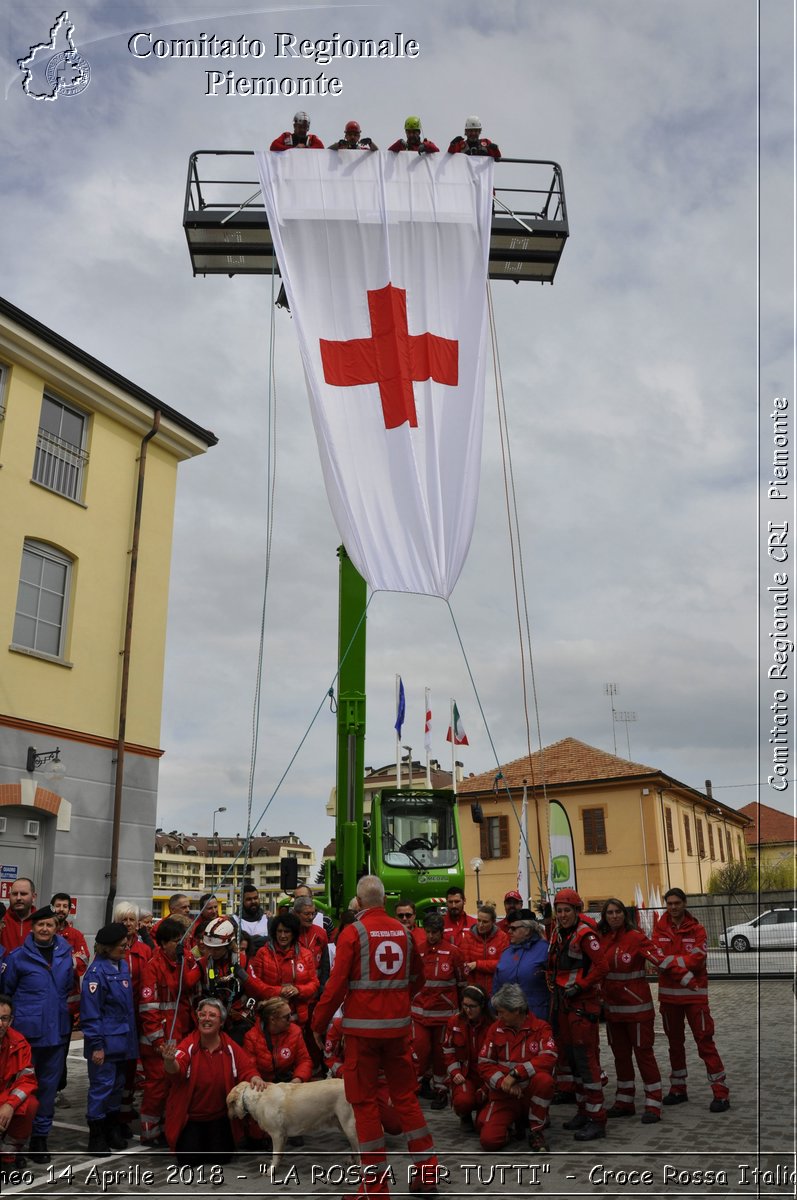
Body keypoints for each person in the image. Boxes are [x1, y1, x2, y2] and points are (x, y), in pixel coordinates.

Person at [311, 875, 438, 1199]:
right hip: (397, 1031)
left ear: (358, 901)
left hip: (361, 1035)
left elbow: (336, 985)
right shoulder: (406, 933)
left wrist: (318, 1022)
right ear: (384, 900)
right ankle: (427, 1172)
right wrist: (396, 1002)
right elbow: (418, 979)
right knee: (407, 1099)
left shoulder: (353, 933)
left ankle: (375, 1188)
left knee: (365, 1106)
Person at [0, 905, 74, 1163]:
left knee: (48, 1088)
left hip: (57, 1034)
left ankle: (40, 1138)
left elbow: (68, 987)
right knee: (21, 1087)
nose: (45, 929)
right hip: (26, 1036)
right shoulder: (17, 957)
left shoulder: (66, 954)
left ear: (57, 927)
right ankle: (15, 1141)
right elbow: (7, 993)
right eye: (40, 924)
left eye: (49, 925)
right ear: (32, 928)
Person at [652, 887, 730, 1111]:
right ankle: (678, 1089)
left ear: (685, 903)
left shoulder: (697, 928)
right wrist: (679, 963)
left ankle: (721, 1093)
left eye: (677, 903)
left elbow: (697, 959)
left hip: (695, 998)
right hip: (668, 1000)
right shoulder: (659, 929)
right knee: (674, 1046)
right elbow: (657, 958)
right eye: (669, 903)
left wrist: (670, 963)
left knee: (705, 1043)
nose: (673, 907)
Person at [162, 997, 267, 1165]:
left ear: (221, 1022)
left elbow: (246, 1068)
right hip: (192, 1118)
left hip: (219, 1117)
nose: (206, 1019)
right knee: (188, 1160)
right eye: (202, 1014)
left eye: (212, 1015)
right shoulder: (188, 1045)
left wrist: (255, 1077)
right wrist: (169, 1061)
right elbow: (176, 1071)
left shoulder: (230, 1047)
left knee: (221, 1159)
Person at [546, 888, 609, 1141]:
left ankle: (597, 1119)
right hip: (565, 1004)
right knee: (573, 1062)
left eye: (567, 910)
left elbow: (602, 965)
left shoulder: (584, 934)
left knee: (586, 1062)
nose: (562, 915)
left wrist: (581, 985)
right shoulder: (559, 933)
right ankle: (584, 1111)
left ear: (576, 911)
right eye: (559, 910)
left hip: (581, 1005)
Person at [596, 898, 664, 1123]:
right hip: (614, 1011)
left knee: (644, 1055)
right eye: (610, 913)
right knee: (621, 1057)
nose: (614, 916)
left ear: (625, 915)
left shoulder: (636, 937)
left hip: (637, 1009)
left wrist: (684, 973)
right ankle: (624, 1101)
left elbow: (659, 959)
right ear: (604, 917)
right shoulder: (601, 939)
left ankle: (654, 1103)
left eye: (618, 912)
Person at [138, 917, 201, 1147]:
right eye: (176, 941)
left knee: (175, 1086)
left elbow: (192, 987)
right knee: (157, 1087)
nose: (181, 945)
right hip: (159, 1042)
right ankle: (149, 1131)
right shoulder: (153, 967)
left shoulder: (184, 962)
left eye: (182, 941)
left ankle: (167, 1125)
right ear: (163, 943)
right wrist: (158, 1042)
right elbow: (148, 1008)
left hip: (182, 1036)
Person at [81, 922, 140, 1156]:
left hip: (123, 1041)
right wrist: (96, 1046)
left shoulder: (122, 966)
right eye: (121, 946)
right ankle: (96, 1136)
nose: (125, 948)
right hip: (105, 1043)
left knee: (117, 1087)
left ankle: (111, 1128)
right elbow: (91, 1014)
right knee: (101, 1088)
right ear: (107, 948)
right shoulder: (96, 975)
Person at [476, 982, 557, 1152]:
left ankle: (536, 1130)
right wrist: (504, 1084)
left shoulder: (541, 1028)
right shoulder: (495, 1029)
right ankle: (513, 1126)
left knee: (545, 1080)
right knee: (489, 1141)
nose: (498, 1017)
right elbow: (484, 1064)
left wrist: (516, 1074)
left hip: (529, 1094)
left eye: (502, 1012)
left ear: (517, 1010)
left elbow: (549, 1057)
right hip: (504, 1095)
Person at [412, 911, 464, 1108]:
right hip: (419, 1014)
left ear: (442, 932)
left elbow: (462, 984)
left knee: (441, 1055)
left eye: (435, 932)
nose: (431, 936)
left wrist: (460, 1013)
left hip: (444, 1016)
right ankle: (415, 1087)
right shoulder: (419, 950)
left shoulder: (454, 952)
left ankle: (441, 1089)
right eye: (428, 932)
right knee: (419, 1051)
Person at [191, 917, 269, 1044]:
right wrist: (182, 960)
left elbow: (258, 991)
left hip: (237, 1022)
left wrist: (244, 976)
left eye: (216, 948)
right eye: (209, 947)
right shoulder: (204, 963)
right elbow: (186, 983)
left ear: (228, 946)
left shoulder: (241, 961)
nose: (212, 952)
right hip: (211, 1021)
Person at [250, 911, 318, 1030]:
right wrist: (280, 991)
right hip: (270, 1018)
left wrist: (298, 990)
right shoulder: (263, 953)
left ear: (294, 933)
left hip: (298, 1018)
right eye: (279, 931)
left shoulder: (305, 955)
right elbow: (255, 985)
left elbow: (314, 983)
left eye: (286, 931)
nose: (282, 935)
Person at [441, 985, 491, 1130]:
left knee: (484, 1125)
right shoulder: (455, 1022)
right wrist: (455, 1073)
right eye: (464, 1005)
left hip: (487, 1077)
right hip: (465, 1074)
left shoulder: (493, 1025)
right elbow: (448, 1050)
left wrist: (488, 1084)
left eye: (472, 1006)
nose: (467, 1010)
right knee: (463, 1101)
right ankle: (465, 1114)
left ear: (482, 1005)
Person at [0, 994, 38, 1179]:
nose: (0, 1024)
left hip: (5, 1099)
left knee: (30, 1104)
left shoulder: (19, 1042)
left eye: (4, 1018)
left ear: (11, 1020)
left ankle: (8, 1156)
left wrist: (10, 1105)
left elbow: (27, 1080)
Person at [492, 909, 549, 1020]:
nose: (509, 931)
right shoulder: (506, 953)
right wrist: (493, 1007)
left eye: (513, 928)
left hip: (536, 1018)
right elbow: (496, 985)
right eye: (509, 928)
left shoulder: (545, 950)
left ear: (527, 930)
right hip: (508, 1019)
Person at [461, 904, 508, 994]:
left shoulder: (502, 937)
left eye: (485, 922)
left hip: (496, 990)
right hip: (475, 990)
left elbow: (503, 964)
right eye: (479, 920)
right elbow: (465, 966)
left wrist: (477, 965)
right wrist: (471, 989)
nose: (480, 925)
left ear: (493, 922)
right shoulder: (468, 937)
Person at [0, 880, 37, 954]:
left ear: (33, 897)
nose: (18, 898)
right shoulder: (1, 919)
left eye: (23, 894)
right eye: (14, 894)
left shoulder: (41, 922)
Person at [239, 883, 270, 954]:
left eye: (255, 898)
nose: (253, 902)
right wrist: (262, 939)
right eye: (249, 899)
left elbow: (272, 942)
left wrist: (248, 939)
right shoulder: (234, 920)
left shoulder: (267, 919)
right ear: (242, 901)